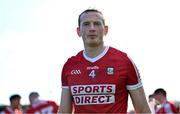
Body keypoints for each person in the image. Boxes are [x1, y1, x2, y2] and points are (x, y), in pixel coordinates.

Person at [59, 9, 151, 113]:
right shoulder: (70, 65)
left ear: (105, 30)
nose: (92, 28)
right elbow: (63, 112)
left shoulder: (124, 61)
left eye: (97, 24)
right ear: (78, 31)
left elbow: (143, 110)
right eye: (86, 24)